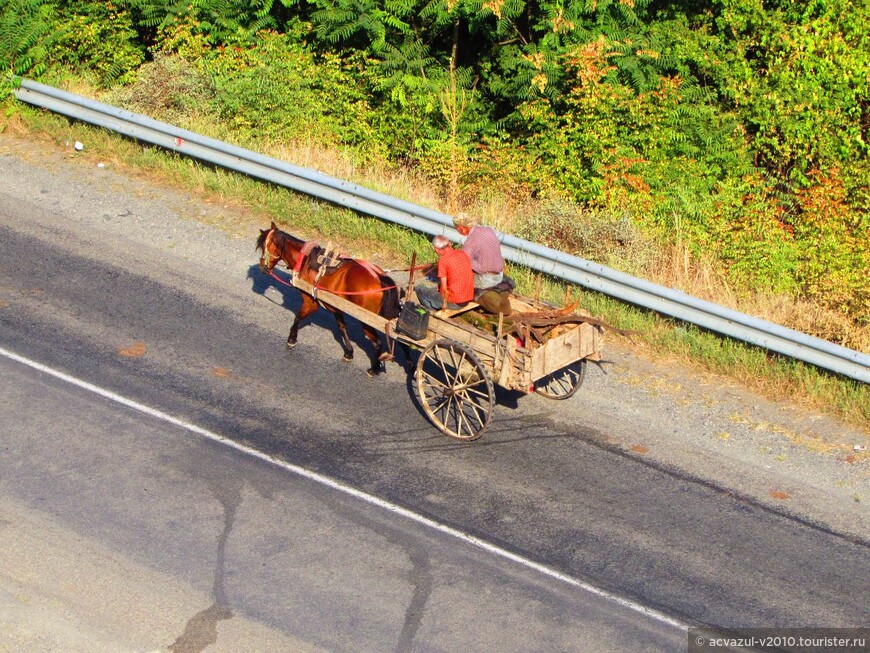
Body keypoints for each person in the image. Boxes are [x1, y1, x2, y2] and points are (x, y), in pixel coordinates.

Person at [414, 235, 475, 311]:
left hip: (455, 303)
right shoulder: (462, 254)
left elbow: (443, 289)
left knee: (420, 288)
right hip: (468, 297)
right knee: (434, 289)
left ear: (436, 249)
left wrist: (440, 291)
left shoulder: (443, 261)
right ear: (449, 244)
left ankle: (430, 310)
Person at [453, 212, 504, 290]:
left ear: (461, 228)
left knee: (456, 274)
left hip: (486, 280)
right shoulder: (488, 229)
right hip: (499, 275)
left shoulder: (470, 242)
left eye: (456, 229)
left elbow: (462, 263)